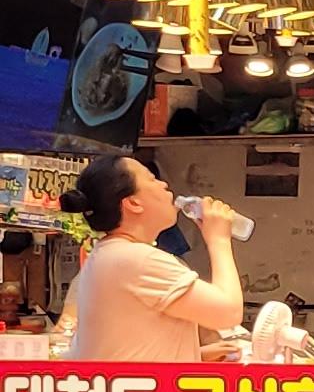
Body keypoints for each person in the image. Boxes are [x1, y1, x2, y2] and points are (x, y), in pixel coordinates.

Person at [64, 154, 248, 361]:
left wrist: (197, 355)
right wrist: (219, 240)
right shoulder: (137, 259)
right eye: (152, 179)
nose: (164, 184)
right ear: (133, 203)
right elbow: (228, 313)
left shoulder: (108, 254)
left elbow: (129, 343)